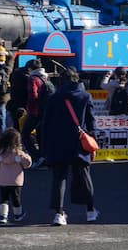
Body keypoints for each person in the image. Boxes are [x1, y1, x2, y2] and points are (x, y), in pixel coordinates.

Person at [40, 67, 98, 226]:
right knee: (84, 176)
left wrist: (44, 147)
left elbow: (46, 124)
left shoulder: (54, 98)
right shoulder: (86, 96)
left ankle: (59, 214)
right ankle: (91, 211)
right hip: (79, 142)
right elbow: (91, 123)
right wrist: (93, 143)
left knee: (59, 178)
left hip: (57, 143)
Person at [0, 127, 32, 223]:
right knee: (16, 198)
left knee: (4, 198)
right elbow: (27, 164)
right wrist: (25, 158)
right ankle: (18, 214)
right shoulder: (19, 154)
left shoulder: (0, 155)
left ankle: (3, 216)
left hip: (3, 180)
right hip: (16, 181)